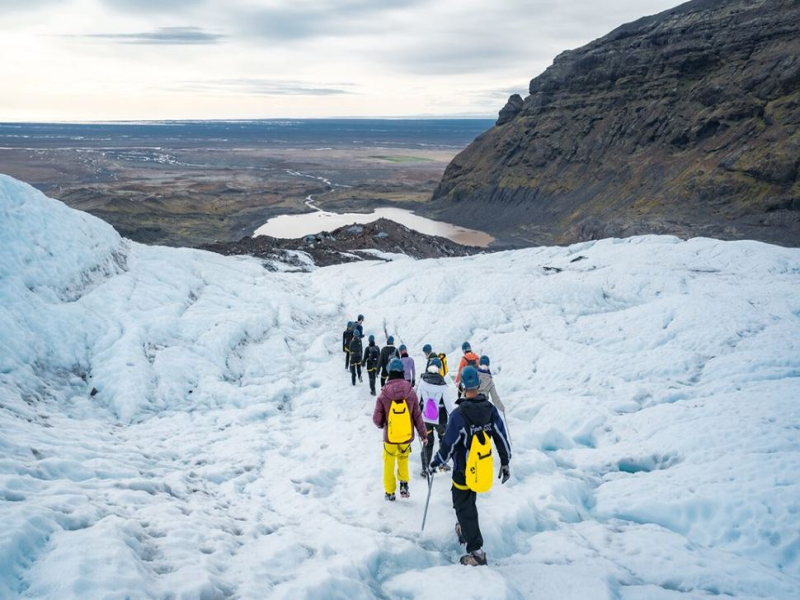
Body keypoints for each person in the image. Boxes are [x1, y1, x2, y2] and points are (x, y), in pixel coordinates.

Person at [430, 366, 511, 566]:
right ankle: (465, 528)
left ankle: (476, 552)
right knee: (468, 501)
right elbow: (501, 436)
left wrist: (436, 463)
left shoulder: (459, 415)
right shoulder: (490, 409)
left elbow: (448, 445)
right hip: (481, 467)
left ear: (463, 386)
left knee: (462, 504)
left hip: (462, 470)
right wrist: (505, 461)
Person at [373, 358, 427, 501]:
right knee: (403, 458)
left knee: (389, 461)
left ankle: (390, 492)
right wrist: (423, 434)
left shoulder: (384, 393)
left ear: (389, 371)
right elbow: (417, 415)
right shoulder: (410, 391)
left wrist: (383, 425)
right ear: (402, 371)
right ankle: (404, 484)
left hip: (390, 437)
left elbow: (376, 419)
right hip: (406, 435)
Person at [416, 356, 454, 477]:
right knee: (443, 440)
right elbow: (448, 404)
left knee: (428, 442)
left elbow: (417, 400)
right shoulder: (442, 384)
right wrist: (453, 417)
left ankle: (424, 468)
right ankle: (442, 463)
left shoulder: (422, 381)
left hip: (425, 418)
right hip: (440, 419)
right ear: (438, 369)